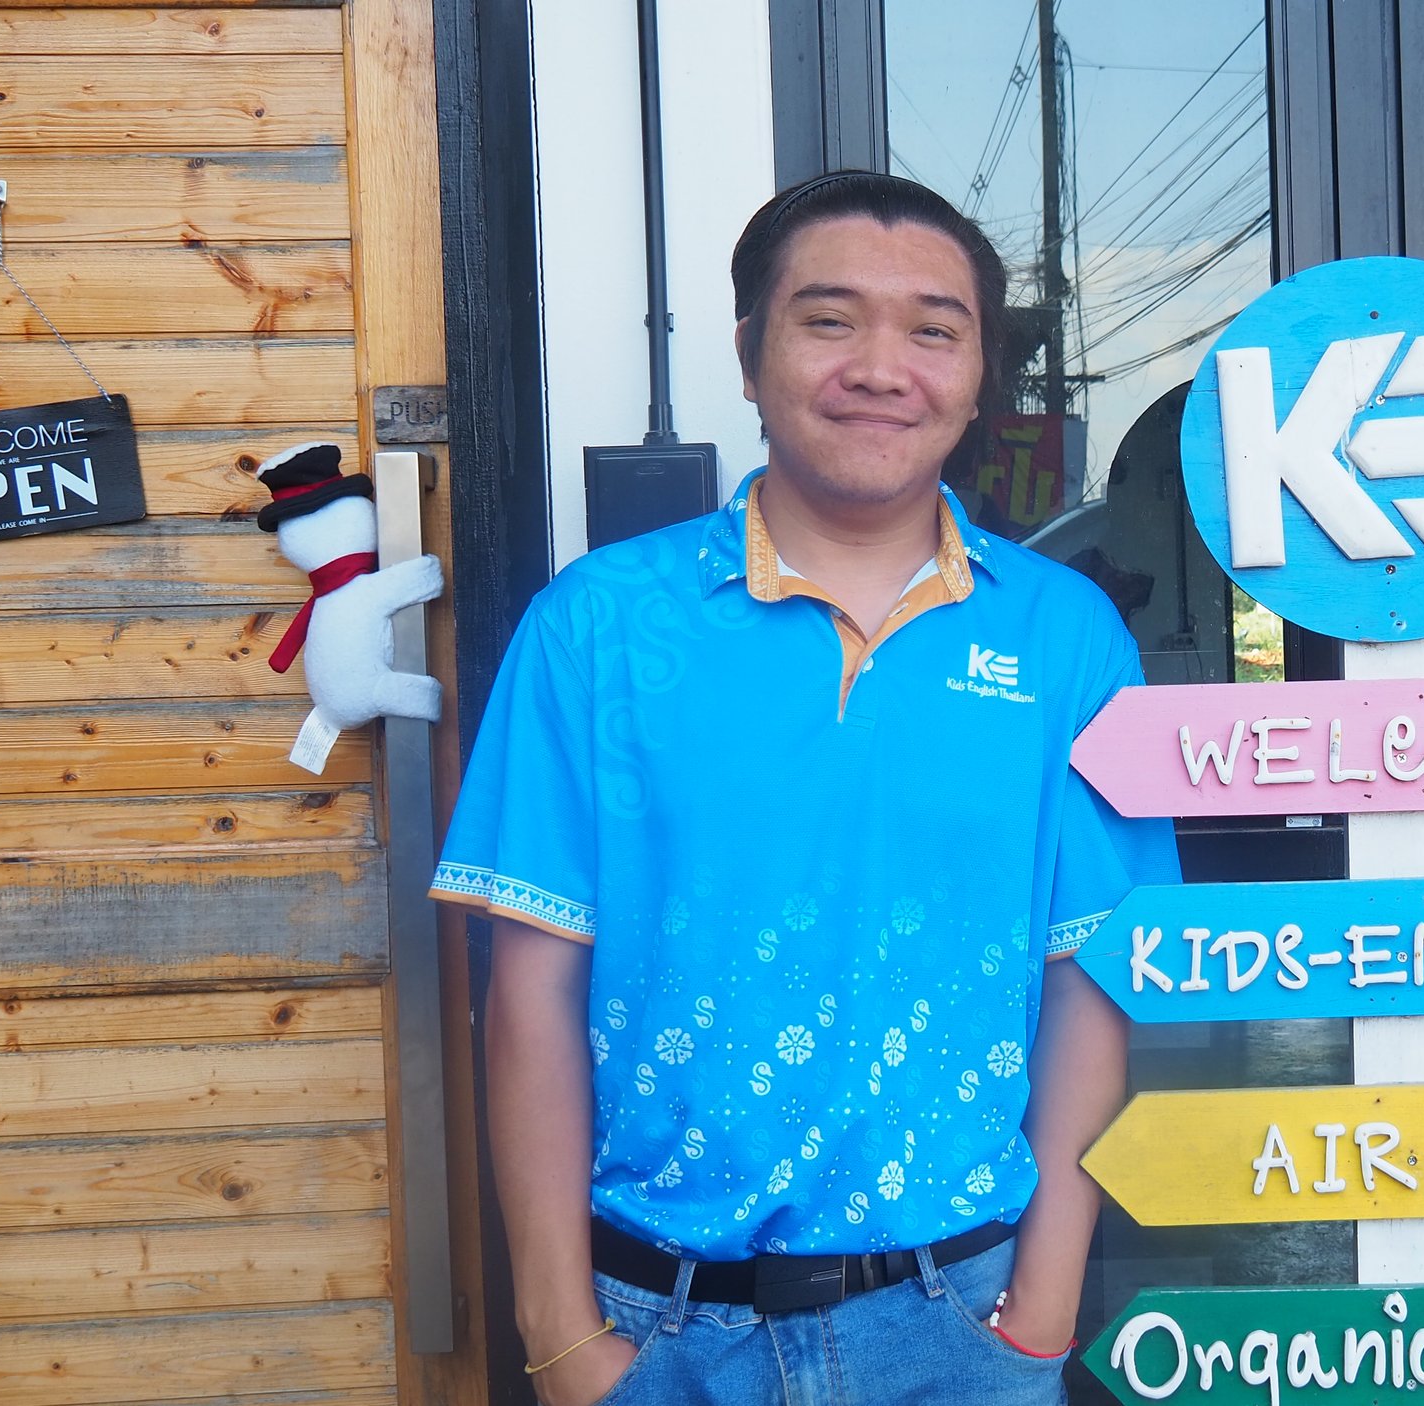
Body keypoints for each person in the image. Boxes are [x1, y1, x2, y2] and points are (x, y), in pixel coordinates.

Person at [431, 171, 1180, 1406]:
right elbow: (530, 992)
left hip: (962, 1326)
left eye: (934, 330)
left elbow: (1093, 979)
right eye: (829, 319)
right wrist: (561, 1335)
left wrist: (1041, 1312)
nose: (882, 367)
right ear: (748, 350)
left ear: (979, 371)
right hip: (654, 1329)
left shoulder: (1064, 639)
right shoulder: (600, 627)